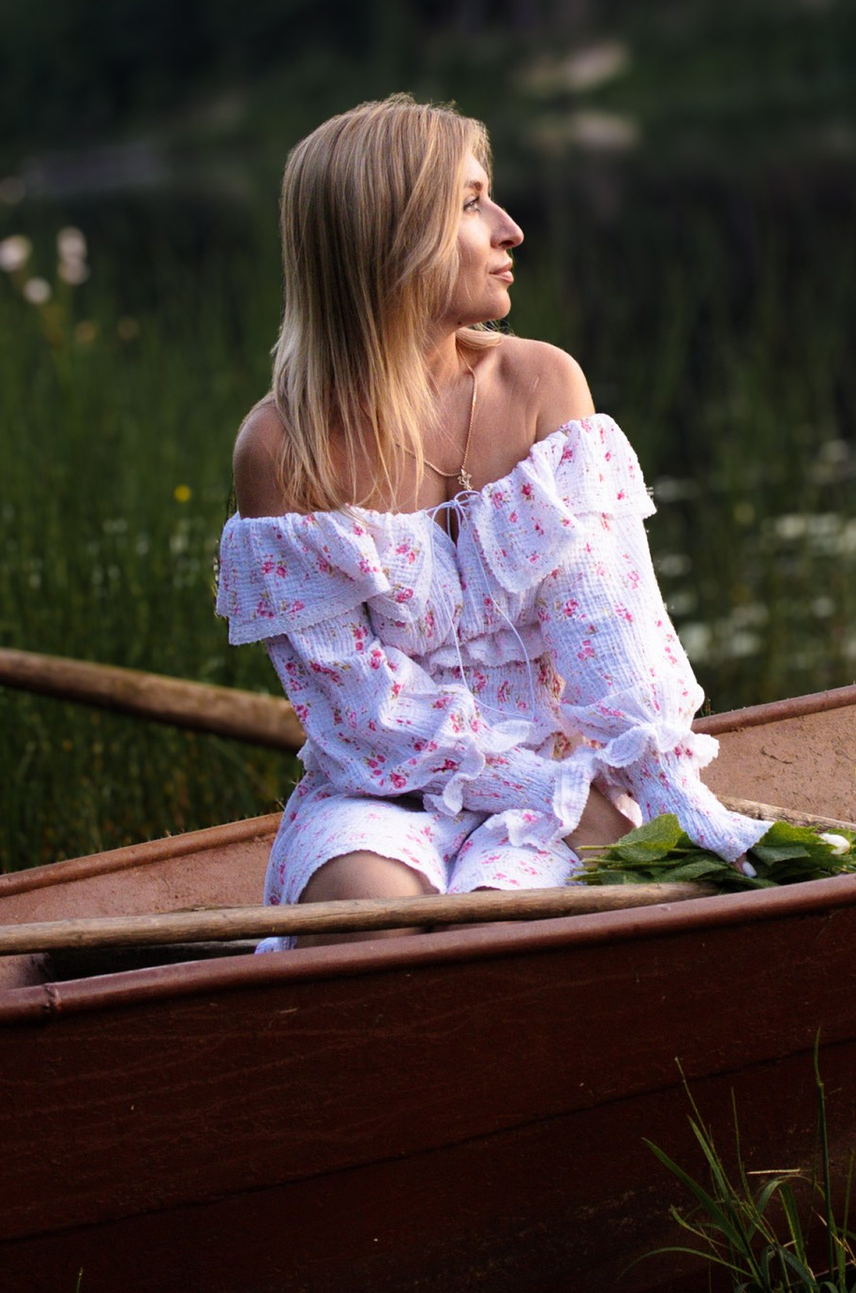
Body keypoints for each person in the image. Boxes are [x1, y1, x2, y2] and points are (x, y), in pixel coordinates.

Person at [214, 93, 765, 915]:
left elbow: (610, 636)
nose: (511, 229)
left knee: (506, 919)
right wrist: (545, 788)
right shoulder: (282, 449)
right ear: (391, 234)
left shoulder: (542, 385)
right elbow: (363, 713)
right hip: (382, 788)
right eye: (471, 204)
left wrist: (673, 798)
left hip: (567, 774)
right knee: (367, 909)